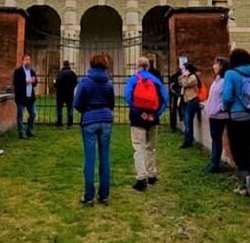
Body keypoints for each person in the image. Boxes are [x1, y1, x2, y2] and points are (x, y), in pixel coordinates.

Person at [221, 48, 250, 202]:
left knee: (237, 151)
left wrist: (227, 105)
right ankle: (247, 181)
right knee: (247, 151)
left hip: (236, 118)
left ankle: (245, 181)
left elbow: (227, 95)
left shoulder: (230, 74)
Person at [73, 53, 115, 206]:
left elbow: (77, 103)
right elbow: (111, 103)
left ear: (91, 64)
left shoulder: (85, 82)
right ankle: (104, 195)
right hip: (105, 120)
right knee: (105, 158)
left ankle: (89, 196)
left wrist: (86, 110)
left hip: (89, 120)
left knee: (90, 159)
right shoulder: (108, 83)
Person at [125, 57, 169, 191]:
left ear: (138, 66)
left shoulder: (133, 79)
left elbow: (128, 97)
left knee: (139, 148)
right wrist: (156, 114)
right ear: (148, 66)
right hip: (153, 117)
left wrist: (138, 112)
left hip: (138, 118)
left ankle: (141, 178)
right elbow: (165, 99)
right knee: (151, 147)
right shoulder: (155, 80)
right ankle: (152, 175)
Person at [204, 57, 230, 173]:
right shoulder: (217, 80)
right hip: (213, 115)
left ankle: (215, 164)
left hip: (220, 116)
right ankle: (214, 162)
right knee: (215, 139)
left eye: (216, 64)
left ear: (222, 67)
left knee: (217, 139)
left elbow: (226, 98)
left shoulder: (224, 81)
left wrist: (218, 109)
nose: (214, 66)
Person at [12, 55, 38, 139]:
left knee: (33, 114)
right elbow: (16, 84)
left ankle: (29, 130)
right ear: (22, 61)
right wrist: (26, 82)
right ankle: (21, 132)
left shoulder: (32, 71)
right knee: (20, 115)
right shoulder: (18, 71)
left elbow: (35, 83)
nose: (28, 61)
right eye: (26, 60)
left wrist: (34, 81)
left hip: (30, 97)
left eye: (29, 60)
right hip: (21, 97)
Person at [178, 62, 201, 148]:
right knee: (187, 122)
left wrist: (185, 76)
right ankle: (188, 139)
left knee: (188, 122)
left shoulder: (193, 77)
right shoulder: (185, 77)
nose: (182, 70)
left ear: (188, 69)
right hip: (185, 101)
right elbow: (180, 82)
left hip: (192, 101)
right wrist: (183, 77)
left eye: (183, 69)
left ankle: (188, 142)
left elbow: (185, 84)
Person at [54, 60, 78, 128]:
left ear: (63, 65)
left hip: (60, 93)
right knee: (70, 108)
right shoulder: (72, 73)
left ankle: (59, 123)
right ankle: (70, 123)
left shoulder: (60, 73)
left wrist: (56, 85)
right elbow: (76, 82)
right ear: (68, 65)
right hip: (70, 93)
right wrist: (72, 87)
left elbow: (56, 83)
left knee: (59, 108)